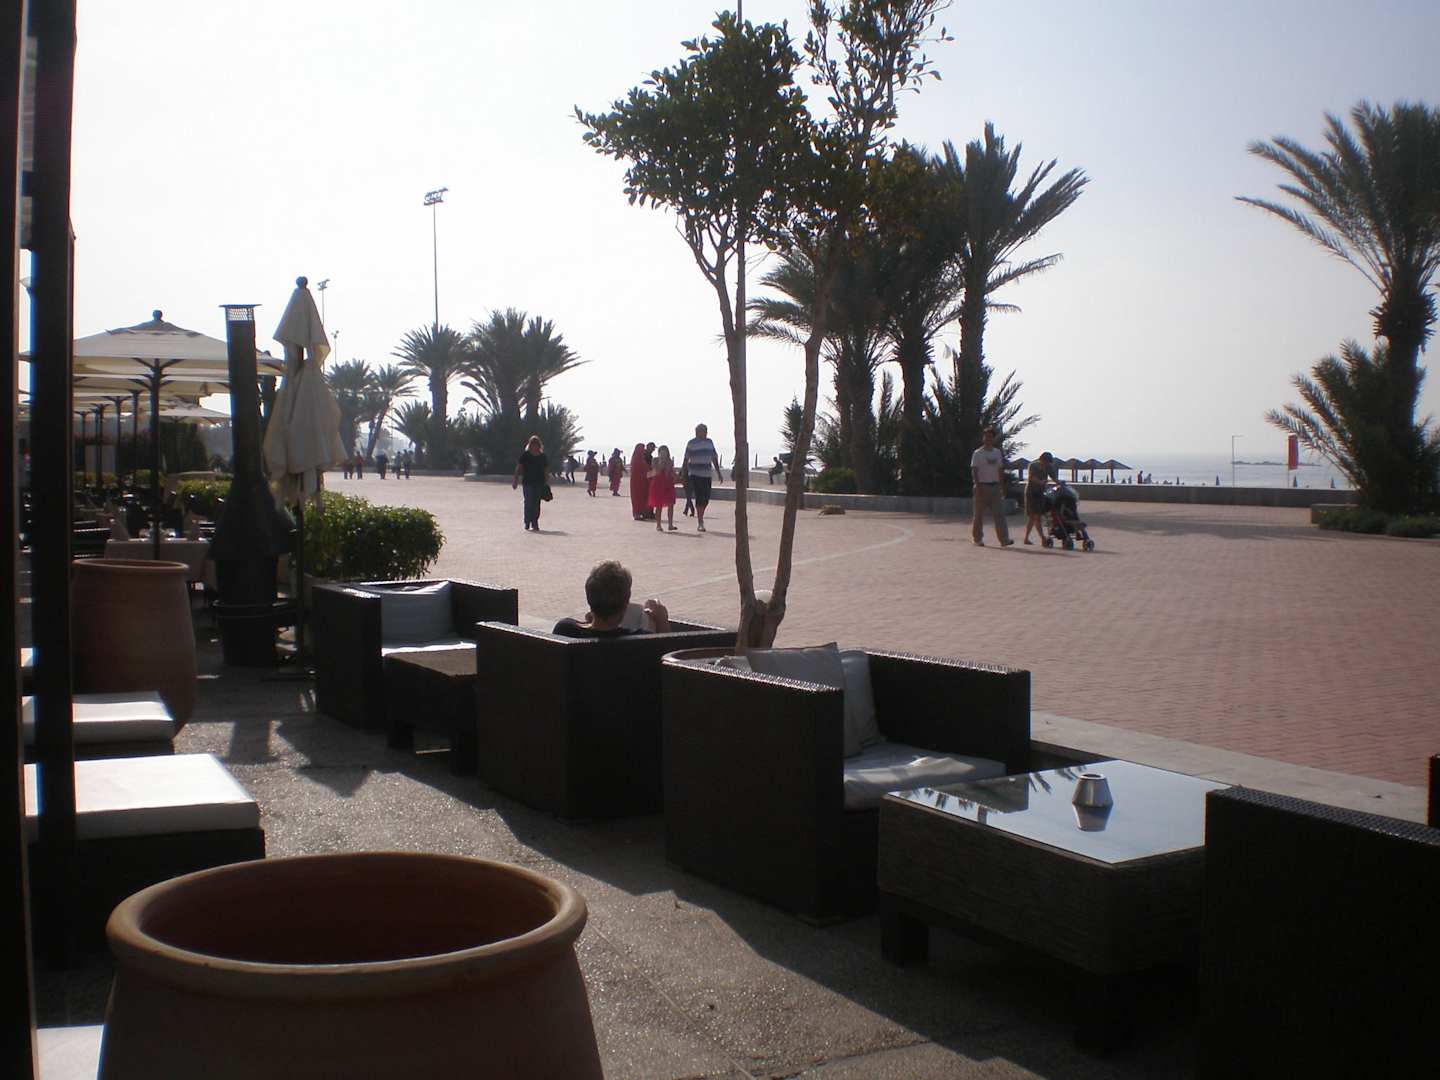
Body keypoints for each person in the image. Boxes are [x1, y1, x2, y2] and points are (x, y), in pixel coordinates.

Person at [552, 560, 670, 638]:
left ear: (589, 596)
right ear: (626, 603)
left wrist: (591, 621)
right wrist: (662, 622)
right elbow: (667, 657)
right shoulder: (641, 639)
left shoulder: (564, 630)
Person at [970, 428, 1014, 547]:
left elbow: (1000, 470)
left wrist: (1002, 487)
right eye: (986, 436)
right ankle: (977, 539)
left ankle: (1004, 539)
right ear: (983, 438)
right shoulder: (978, 453)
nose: (988, 439)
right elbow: (974, 470)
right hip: (982, 486)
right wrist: (977, 485)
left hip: (995, 486)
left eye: (990, 437)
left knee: (999, 515)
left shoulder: (997, 452)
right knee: (979, 515)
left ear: (993, 439)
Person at [682, 423, 724, 532]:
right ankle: (700, 521)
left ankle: (701, 516)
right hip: (695, 474)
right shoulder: (691, 443)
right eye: (702, 431)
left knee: (706, 498)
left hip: (707, 474)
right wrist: (684, 475)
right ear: (697, 432)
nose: (705, 433)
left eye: (706, 431)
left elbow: (714, 457)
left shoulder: (709, 442)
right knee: (699, 497)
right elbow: (686, 459)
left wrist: (718, 472)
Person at [511, 434, 550, 532]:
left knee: (536, 503)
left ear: (539, 445)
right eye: (532, 444)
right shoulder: (525, 455)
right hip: (527, 482)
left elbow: (546, 470)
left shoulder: (542, 456)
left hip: (539, 483)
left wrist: (546, 481)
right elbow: (518, 468)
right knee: (528, 502)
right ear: (530, 445)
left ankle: (535, 522)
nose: (534, 446)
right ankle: (527, 522)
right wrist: (515, 480)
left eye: (536, 444)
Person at [1023, 451, 1056, 545]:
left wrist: (1059, 483)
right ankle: (1042, 538)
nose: (1047, 464)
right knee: (1035, 516)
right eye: (1046, 462)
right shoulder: (1033, 465)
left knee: (1034, 517)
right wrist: (1040, 482)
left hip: (1041, 493)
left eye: (1048, 462)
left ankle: (1026, 538)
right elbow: (1031, 477)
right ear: (1041, 459)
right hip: (1031, 493)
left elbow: (1053, 477)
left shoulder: (1049, 467)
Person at [648, 444, 678, 532]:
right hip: (658, 484)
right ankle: (658, 525)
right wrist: (662, 462)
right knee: (659, 505)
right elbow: (656, 471)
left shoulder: (669, 461)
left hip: (668, 484)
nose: (664, 454)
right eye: (662, 452)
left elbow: (671, 472)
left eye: (665, 452)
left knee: (671, 504)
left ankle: (670, 524)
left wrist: (678, 477)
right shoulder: (655, 460)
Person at [629, 442, 649, 520]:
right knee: (637, 498)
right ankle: (636, 513)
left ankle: (641, 512)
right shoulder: (636, 459)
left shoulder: (641, 459)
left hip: (643, 482)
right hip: (637, 482)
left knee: (642, 497)